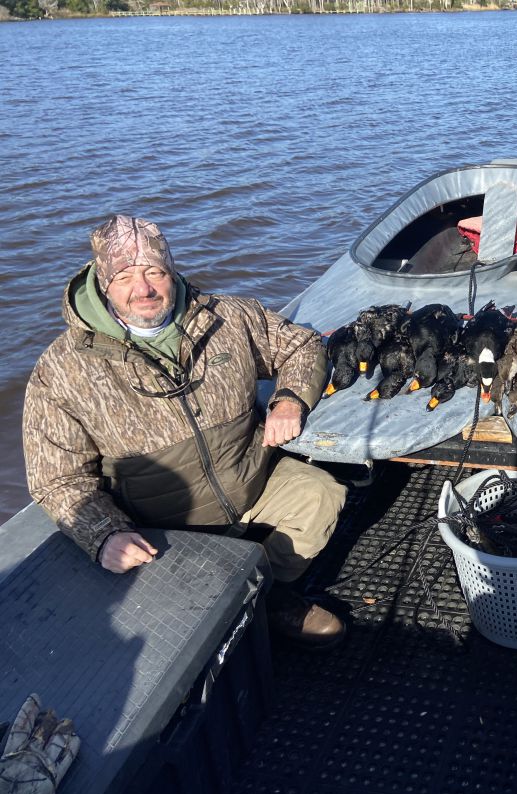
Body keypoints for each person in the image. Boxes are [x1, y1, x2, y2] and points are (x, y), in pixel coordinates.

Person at [23, 215, 348, 650]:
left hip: (251, 480)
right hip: (163, 524)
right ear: (102, 283)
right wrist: (104, 534)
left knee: (322, 495)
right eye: (124, 276)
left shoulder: (229, 316)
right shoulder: (61, 370)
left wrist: (289, 398)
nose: (144, 289)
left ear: (171, 271)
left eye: (154, 272)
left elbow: (302, 345)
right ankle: (225, 603)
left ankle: (266, 595)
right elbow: (57, 478)